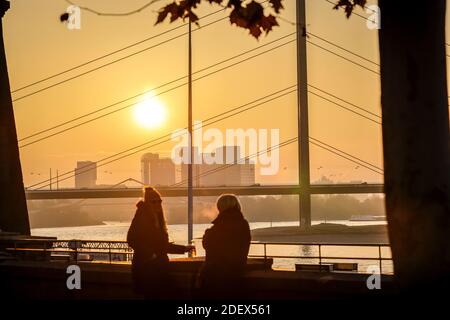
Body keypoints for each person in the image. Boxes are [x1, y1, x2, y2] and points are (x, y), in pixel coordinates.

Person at [127, 186, 192, 299]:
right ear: (147, 202)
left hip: (157, 268)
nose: (157, 204)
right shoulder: (142, 216)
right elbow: (131, 239)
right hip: (148, 269)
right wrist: (151, 255)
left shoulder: (157, 217)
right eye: (154, 201)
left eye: (159, 201)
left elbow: (161, 246)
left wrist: (184, 249)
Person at [198, 194, 251, 299]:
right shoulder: (243, 224)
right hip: (236, 272)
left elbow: (207, 245)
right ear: (237, 206)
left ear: (220, 207)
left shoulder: (218, 226)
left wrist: (207, 233)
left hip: (215, 275)